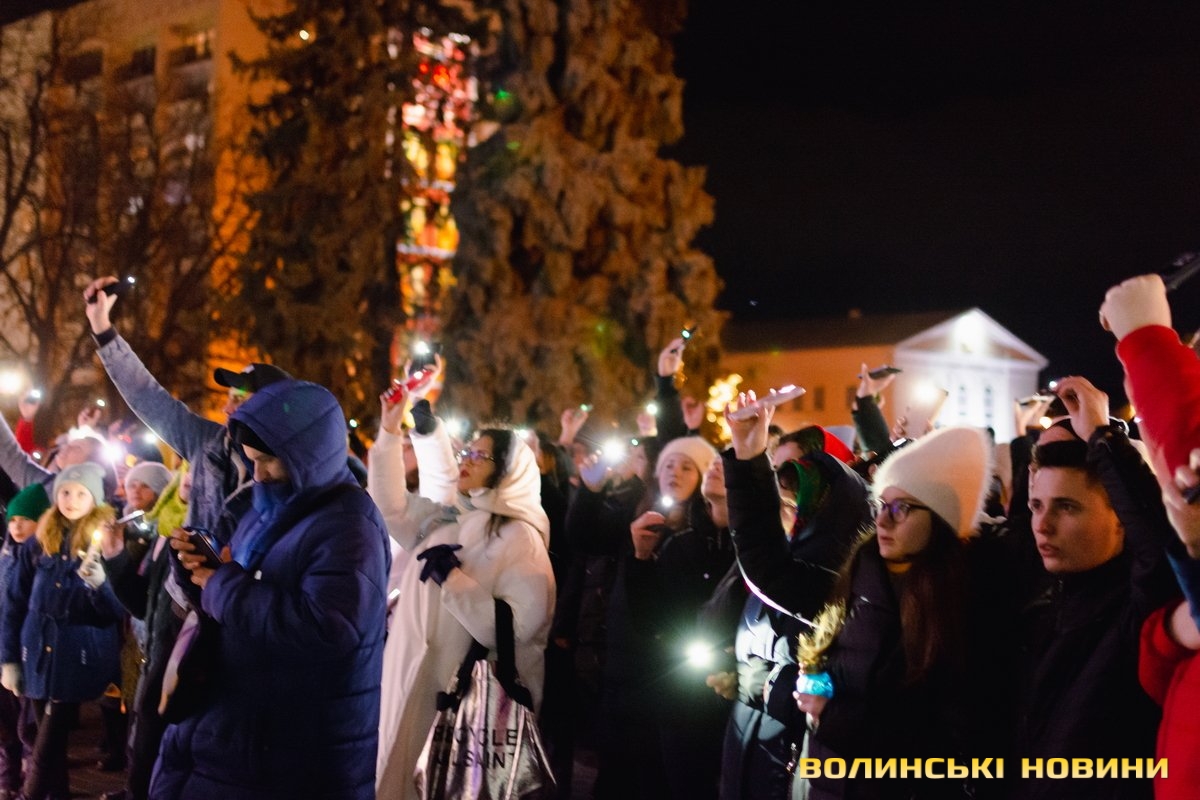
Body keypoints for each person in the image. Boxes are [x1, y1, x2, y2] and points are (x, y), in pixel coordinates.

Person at [152, 379, 390, 799]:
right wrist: (200, 574)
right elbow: (238, 592)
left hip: (290, 753)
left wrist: (223, 585)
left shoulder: (350, 526)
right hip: (243, 736)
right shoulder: (267, 508)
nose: (257, 475)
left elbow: (326, 630)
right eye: (251, 461)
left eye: (267, 461)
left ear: (309, 456)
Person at [370, 383, 555, 800]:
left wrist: (454, 582)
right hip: (410, 682)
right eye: (466, 452)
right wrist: (389, 432)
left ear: (507, 469)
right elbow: (391, 507)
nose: (466, 460)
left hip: (462, 701)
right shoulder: (452, 518)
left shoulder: (520, 537)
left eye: (479, 455)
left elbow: (519, 629)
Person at [1007, 376, 1177, 800]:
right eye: (1037, 505)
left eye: (1067, 507)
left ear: (1121, 518)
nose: (1043, 525)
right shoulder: (1038, 601)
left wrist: (1103, 437)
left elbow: (1161, 546)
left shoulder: (1139, 608)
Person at [717, 419, 872, 800]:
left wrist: (762, 686)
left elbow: (764, 560)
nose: (780, 508)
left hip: (791, 763)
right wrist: (740, 674)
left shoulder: (837, 581)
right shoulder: (783, 565)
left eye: (790, 499)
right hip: (749, 748)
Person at [1, 463, 123, 800]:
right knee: (42, 736)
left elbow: (114, 612)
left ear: (94, 500)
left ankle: (30, 795)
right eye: (66, 492)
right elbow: (14, 603)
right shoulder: (39, 541)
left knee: (47, 739)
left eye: (81, 494)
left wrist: (100, 585)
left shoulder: (106, 542)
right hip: (36, 652)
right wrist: (8, 659)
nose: (71, 500)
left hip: (76, 655)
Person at [98, 463, 189, 800]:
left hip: (179, 664)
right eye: (188, 473)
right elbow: (142, 604)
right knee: (142, 738)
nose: (191, 481)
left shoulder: (193, 531)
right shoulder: (165, 529)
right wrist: (114, 555)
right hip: (150, 651)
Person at [0, 483, 50, 799]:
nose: (17, 526)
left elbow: (17, 608)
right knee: (5, 722)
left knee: (29, 726)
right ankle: (8, 777)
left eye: (25, 520)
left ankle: (35, 781)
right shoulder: (7, 554)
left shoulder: (41, 556)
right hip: (5, 648)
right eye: (13, 519)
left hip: (29, 651)